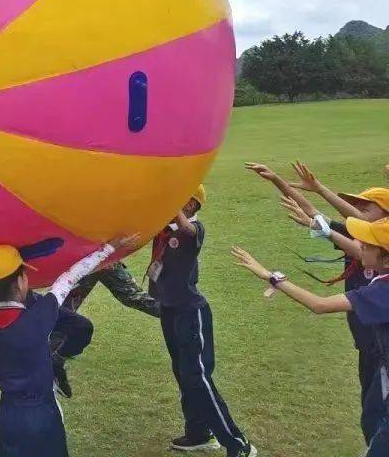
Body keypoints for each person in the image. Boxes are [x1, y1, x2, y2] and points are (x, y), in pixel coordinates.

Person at [0, 236, 136, 457]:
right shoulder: (39, 315)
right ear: (21, 281)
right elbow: (70, 277)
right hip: (41, 415)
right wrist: (111, 247)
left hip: (8, 415)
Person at [231, 217, 389, 454]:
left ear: (386, 259)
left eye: (369, 244)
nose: (361, 244)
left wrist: (271, 276)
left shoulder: (382, 292)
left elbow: (319, 304)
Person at [149, 186, 257, 456]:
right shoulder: (163, 227)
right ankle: (198, 432)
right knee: (182, 374)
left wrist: (169, 199)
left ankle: (237, 443)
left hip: (190, 312)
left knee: (197, 377)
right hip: (170, 310)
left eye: (181, 198)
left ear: (191, 205)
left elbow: (188, 231)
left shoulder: (194, 229)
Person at [52, 259, 159, 397]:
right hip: (86, 258)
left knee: (66, 311)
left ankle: (181, 312)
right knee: (65, 310)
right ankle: (52, 365)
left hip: (98, 257)